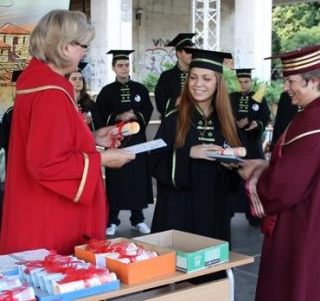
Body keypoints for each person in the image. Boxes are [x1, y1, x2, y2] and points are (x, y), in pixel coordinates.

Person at [0, 10, 135, 255]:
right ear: (64, 47)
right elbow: (47, 163)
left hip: (31, 204)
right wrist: (103, 159)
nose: (85, 52)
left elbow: (44, 140)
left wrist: (92, 138)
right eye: (83, 45)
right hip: (51, 213)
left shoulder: (33, 79)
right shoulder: (53, 89)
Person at [238, 45, 320, 301]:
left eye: (291, 81)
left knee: (297, 284)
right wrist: (267, 165)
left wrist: (256, 177)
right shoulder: (309, 114)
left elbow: (285, 187)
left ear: (314, 81)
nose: (286, 88)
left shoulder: (313, 121)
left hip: (304, 221)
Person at [150, 48, 241, 243]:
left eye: (207, 78)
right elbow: (155, 161)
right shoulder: (173, 119)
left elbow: (234, 180)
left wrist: (232, 166)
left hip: (214, 211)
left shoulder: (226, 122)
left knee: (211, 268)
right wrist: (188, 152)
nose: (198, 84)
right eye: (193, 78)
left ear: (218, 83)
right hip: (178, 211)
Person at [95, 50, 154, 236]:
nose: (123, 68)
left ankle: (138, 219)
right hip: (115, 141)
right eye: (120, 65)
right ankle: (112, 220)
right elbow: (100, 116)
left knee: (137, 179)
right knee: (116, 180)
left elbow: (147, 108)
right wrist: (118, 116)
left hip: (137, 140)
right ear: (113, 68)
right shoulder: (106, 92)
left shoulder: (140, 89)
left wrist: (136, 115)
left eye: (126, 65)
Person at [229, 68, 270, 226]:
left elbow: (265, 117)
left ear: (251, 82)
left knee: (255, 177)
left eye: (246, 81)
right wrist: (235, 123)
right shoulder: (231, 97)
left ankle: (254, 215)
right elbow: (224, 115)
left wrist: (255, 124)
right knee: (232, 176)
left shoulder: (259, 98)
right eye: (240, 82)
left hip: (252, 144)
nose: (243, 84)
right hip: (235, 142)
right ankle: (229, 211)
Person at [154, 33, 195, 117]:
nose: (192, 54)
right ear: (178, 54)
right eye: (188, 51)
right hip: (173, 122)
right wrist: (176, 101)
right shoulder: (166, 76)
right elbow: (160, 103)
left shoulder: (198, 75)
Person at [66, 63, 97, 131]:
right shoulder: (63, 103)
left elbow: (98, 125)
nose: (78, 81)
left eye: (80, 79)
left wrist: (91, 121)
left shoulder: (90, 103)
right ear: (67, 82)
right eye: (74, 79)